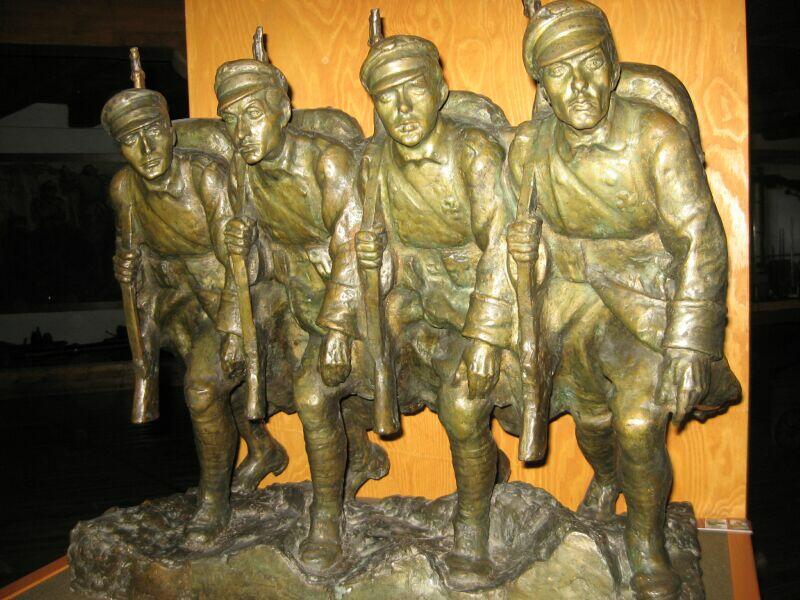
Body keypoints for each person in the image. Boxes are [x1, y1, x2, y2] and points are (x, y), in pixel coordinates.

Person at [507, 2, 741, 597]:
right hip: (571, 307)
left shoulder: (655, 137)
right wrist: (525, 253)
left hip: (647, 305)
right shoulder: (528, 148)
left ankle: (646, 541)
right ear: (541, 86)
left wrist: (688, 345)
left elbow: (699, 238)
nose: (579, 86)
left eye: (591, 65)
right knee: (591, 422)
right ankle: (610, 478)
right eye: (558, 72)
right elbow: (515, 239)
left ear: (613, 68)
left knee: (637, 423)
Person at [215, 30, 388, 573]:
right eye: (230, 120)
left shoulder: (327, 161)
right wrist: (234, 317)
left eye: (253, 115)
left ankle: (326, 518)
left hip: (346, 297)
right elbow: (251, 260)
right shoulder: (243, 171)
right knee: (225, 377)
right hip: (289, 298)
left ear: (283, 110)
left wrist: (337, 328)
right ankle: (352, 457)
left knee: (315, 397)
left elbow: (350, 245)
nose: (241, 132)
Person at [355, 20, 517, 589]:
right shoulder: (375, 162)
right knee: (339, 373)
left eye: (413, 90)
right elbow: (378, 249)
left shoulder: (473, 153)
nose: (400, 109)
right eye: (386, 97)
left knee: (464, 404)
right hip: (415, 305)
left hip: (481, 305)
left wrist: (485, 337)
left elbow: (502, 247)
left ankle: (471, 525)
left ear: (440, 90)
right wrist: (373, 260)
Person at [103, 62, 286, 546]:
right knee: (213, 390)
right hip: (175, 304)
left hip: (231, 295)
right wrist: (129, 268)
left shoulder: (205, 177)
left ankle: (213, 501)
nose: (146, 150)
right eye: (130, 141)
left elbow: (241, 259)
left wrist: (233, 327)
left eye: (152, 133)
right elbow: (134, 249)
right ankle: (263, 449)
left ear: (170, 131)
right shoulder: (124, 189)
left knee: (202, 390)